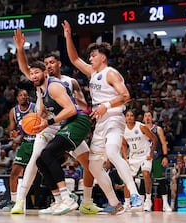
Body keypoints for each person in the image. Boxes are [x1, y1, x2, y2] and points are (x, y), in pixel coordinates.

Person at [11, 29, 104, 215]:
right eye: (45, 63)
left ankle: (86, 201)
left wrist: (85, 115)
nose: (48, 65)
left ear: (55, 66)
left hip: (68, 123)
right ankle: (21, 202)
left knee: (89, 163)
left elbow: (79, 106)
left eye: (50, 63)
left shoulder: (66, 82)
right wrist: (20, 49)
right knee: (37, 160)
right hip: (47, 126)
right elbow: (24, 68)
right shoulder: (40, 84)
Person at [62, 20, 143, 211]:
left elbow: (125, 96)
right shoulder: (93, 73)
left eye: (93, 56)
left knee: (113, 152)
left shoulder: (110, 73)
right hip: (100, 122)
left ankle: (135, 195)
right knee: (94, 166)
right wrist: (67, 36)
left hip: (114, 117)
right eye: (90, 56)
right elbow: (74, 59)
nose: (90, 59)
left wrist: (106, 105)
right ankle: (115, 203)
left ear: (103, 58)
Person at [28, 61, 92, 215]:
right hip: (68, 125)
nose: (33, 76)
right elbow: (41, 114)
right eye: (31, 73)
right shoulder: (41, 92)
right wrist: (34, 124)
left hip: (79, 121)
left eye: (37, 72)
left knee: (47, 153)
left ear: (45, 73)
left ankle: (67, 198)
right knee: (40, 161)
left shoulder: (53, 86)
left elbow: (70, 109)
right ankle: (58, 201)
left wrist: (48, 122)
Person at [2, 89, 36, 210]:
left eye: (25, 95)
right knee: (14, 173)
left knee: (47, 171)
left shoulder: (35, 107)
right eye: (21, 95)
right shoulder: (13, 111)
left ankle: (63, 197)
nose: (23, 97)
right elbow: (12, 130)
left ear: (28, 97)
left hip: (38, 141)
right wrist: (13, 133)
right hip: (26, 143)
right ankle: (13, 201)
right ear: (17, 98)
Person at [121, 110, 157, 212]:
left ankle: (148, 200)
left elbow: (154, 139)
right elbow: (123, 145)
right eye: (127, 116)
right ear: (125, 118)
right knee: (128, 179)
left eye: (131, 115)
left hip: (145, 155)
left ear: (135, 117)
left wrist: (150, 153)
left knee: (146, 174)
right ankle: (127, 203)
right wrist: (125, 158)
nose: (129, 117)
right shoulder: (123, 130)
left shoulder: (141, 127)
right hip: (133, 157)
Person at [143, 111, 172, 212]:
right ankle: (146, 202)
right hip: (144, 157)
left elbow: (164, 143)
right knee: (145, 180)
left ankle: (165, 204)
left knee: (161, 180)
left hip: (157, 156)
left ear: (152, 118)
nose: (147, 118)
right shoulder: (141, 129)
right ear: (143, 118)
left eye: (149, 116)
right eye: (145, 116)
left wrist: (165, 156)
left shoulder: (157, 129)